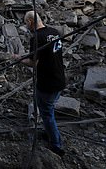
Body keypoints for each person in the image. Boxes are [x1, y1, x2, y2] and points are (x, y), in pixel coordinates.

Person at [16, 10, 66, 156]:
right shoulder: (54, 32)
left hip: (47, 82)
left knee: (47, 113)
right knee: (48, 110)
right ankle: (49, 132)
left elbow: (33, 63)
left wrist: (17, 58)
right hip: (59, 79)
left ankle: (56, 144)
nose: (27, 26)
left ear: (31, 22)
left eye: (26, 23)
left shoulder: (37, 38)